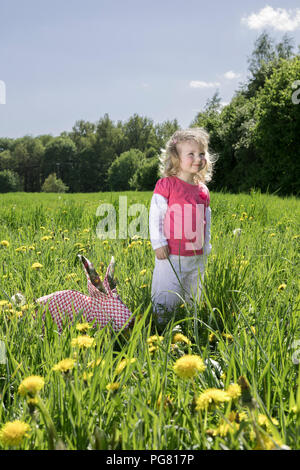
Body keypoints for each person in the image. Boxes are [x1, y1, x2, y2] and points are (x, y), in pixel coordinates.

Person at [149, 127, 216, 327]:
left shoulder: (202, 190)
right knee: (166, 291)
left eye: (201, 154)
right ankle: (161, 325)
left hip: (197, 254)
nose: (198, 158)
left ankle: (190, 323)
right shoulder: (167, 185)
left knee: (194, 291)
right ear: (176, 158)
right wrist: (158, 242)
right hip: (171, 254)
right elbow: (155, 216)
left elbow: (206, 218)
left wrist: (207, 245)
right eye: (191, 154)